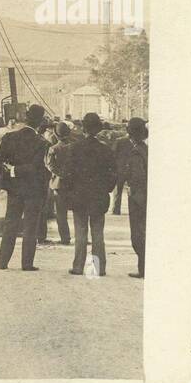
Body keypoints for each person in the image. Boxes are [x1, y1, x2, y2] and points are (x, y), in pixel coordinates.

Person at [0, 103, 49, 271]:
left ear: (26, 118)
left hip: (14, 189)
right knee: (30, 226)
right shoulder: (42, 143)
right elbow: (38, 169)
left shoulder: (9, 137)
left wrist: (9, 174)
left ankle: (3, 262)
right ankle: (27, 263)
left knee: (10, 223)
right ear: (40, 122)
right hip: (34, 190)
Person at [64, 112, 117, 277]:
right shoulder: (105, 150)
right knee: (97, 233)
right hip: (98, 196)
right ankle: (97, 268)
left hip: (79, 196)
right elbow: (113, 174)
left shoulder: (74, 148)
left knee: (80, 232)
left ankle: (79, 266)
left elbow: (68, 174)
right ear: (98, 129)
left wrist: (70, 192)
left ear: (83, 128)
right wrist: (106, 189)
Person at [125, 117, 148, 278]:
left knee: (138, 234)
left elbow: (137, 177)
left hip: (138, 197)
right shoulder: (146, 149)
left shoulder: (135, 152)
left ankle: (143, 268)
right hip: (146, 194)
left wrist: (131, 190)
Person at [46, 120, 74, 245]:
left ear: (56, 135)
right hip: (74, 183)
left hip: (59, 184)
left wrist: (61, 174)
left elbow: (50, 165)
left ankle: (65, 238)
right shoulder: (75, 147)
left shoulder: (53, 149)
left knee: (61, 214)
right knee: (79, 212)